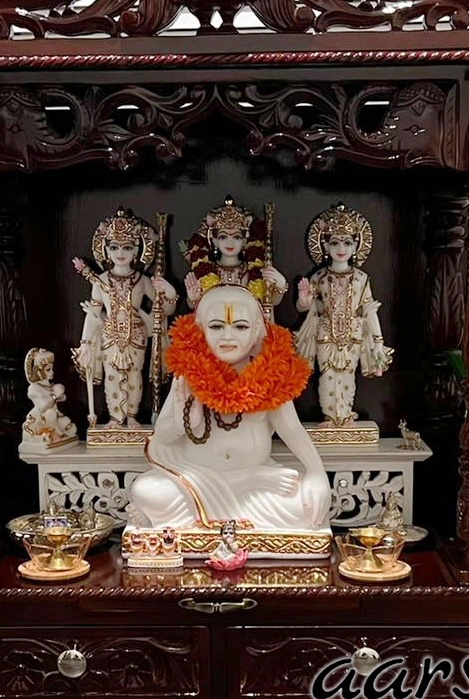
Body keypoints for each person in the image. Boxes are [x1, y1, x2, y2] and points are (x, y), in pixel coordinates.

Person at [130, 285, 330, 530]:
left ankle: (238, 492)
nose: (228, 336)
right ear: (200, 329)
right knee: (147, 491)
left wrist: (316, 472)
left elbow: (292, 430)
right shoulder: (189, 375)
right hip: (198, 481)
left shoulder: (271, 375)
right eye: (216, 326)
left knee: (304, 508)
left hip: (256, 488)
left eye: (240, 326)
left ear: (257, 330)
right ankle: (244, 483)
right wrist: (185, 423)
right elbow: (162, 436)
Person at [72, 208, 177, 427]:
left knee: (134, 376)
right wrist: (85, 344)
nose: (121, 253)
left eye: (127, 247)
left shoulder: (143, 279)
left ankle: (131, 416)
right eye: (115, 247)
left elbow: (164, 311)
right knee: (112, 376)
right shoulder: (99, 280)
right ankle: (114, 418)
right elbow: (93, 314)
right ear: (107, 251)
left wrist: (171, 294)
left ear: (136, 251)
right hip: (109, 334)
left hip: (136, 334)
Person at [295, 203, 393, 426]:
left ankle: (346, 416)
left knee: (348, 378)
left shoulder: (361, 279)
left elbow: (369, 311)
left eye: (347, 242)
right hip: (326, 334)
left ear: (355, 246)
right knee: (327, 378)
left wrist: (378, 342)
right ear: (326, 246)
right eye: (335, 242)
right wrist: (304, 301)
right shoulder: (318, 277)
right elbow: (305, 308)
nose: (341, 248)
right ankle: (330, 418)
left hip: (353, 336)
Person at [183, 196, 287, 309]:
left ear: (245, 241)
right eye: (223, 237)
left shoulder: (255, 270)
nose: (230, 242)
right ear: (214, 241)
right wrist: (193, 299)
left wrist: (280, 285)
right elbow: (195, 307)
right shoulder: (204, 270)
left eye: (236, 237)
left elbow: (270, 302)